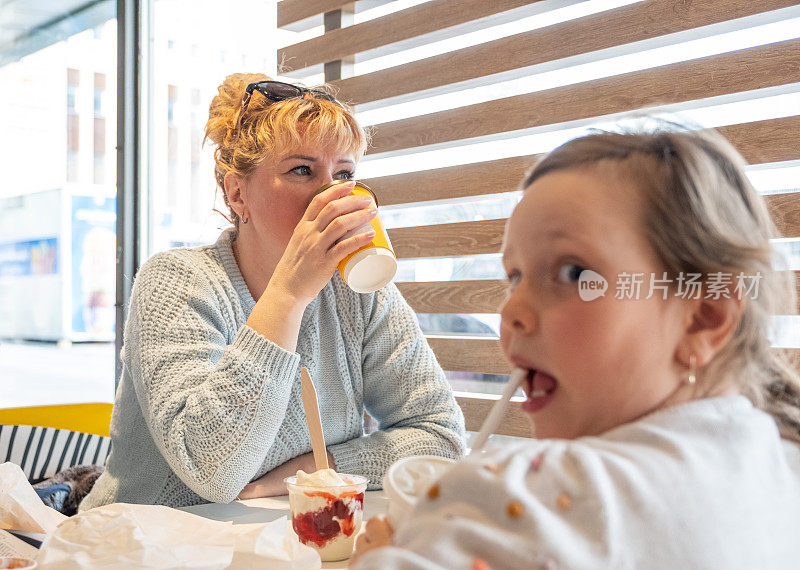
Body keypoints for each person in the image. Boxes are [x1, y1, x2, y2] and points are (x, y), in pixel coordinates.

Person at [352, 126, 800, 568]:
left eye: (573, 274)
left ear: (704, 318)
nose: (510, 313)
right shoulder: (783, 469)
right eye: (515, 277)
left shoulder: (514, 503)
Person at [80, 73, 465, 510]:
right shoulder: (175, 282)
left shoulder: (360, 293)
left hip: (284, 542)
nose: (332, 195)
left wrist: (311, 472)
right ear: (237, 194)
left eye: (344, 174)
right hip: (137, 544)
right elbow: (212, 471)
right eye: (302, 170)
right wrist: (288, 294)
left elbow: (441, 436)